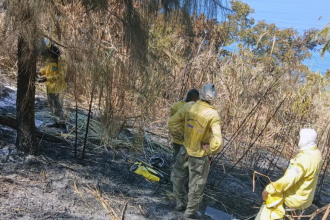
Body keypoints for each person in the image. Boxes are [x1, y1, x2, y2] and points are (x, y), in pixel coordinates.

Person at [168, 84, 223, 219]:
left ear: (201, 94)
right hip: (199, 156)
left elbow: (172, 123)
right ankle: (190, 212)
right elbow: (218, 141)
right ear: (213, 98)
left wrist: (181, 136)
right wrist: (210, 150)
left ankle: (180, 203)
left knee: (177, 178)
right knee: (196, 186)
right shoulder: (213, 115)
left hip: (184, 150)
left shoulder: (188, 107)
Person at [256, 128, 323, 220]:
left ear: (305, 139)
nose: (297, 138)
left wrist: (269, 188)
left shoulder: (305, 159)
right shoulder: (316, 153)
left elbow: (289, 179)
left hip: (292, 201)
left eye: (299, 136)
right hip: (303, 201)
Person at [37, 40, 67, 131]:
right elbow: (47, 69)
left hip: (58, 87)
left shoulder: (61, 57)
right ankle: (57, 122)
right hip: (49, 86)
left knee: (58, 107)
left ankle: (63, 126)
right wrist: (40, 72)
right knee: (52, 105)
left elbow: (62, 75)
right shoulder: (49, 57)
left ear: (50, 48)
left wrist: (47, 78)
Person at [170, 89, 200, 160]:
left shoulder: (193, 108)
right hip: (179, 141)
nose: (197, 102)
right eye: (196, 100)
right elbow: (172, 123)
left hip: (188, 141)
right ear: (192, 98)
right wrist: (179, 135)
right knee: (176, 161)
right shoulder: (177, 107)